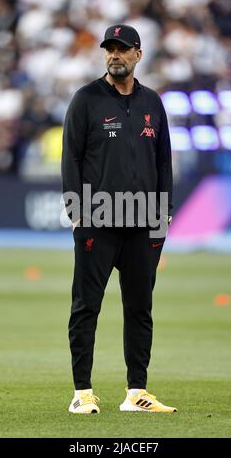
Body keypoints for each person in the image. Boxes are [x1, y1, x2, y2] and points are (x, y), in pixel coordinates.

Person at [61, 24, 177, 414]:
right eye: (109, 49)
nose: (115, 55)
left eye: (123, 49)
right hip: (97, 219)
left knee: (140, 308)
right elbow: (71, 158)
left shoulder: (152, 102)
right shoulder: (86, 99)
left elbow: (163, 161)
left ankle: (136, 393)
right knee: (86, 306)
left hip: (145, 223)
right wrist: (77, 212)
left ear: (138, 55)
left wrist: (165, 214)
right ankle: (82, 393)